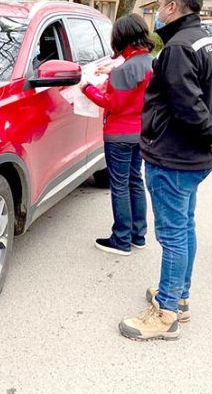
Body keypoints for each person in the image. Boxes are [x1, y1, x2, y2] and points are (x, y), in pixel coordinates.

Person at [119, 0, 212, 341]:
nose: (156, 14)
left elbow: (187, 103)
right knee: (184, 227)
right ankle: (179, 297)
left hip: (174, 155)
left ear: (171, 7)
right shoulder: (204, 41)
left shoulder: (179, 48)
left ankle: (166, 312)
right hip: (191, 155)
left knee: (172, 235)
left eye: (159, 6)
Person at [80, 14, 154, 256]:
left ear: (121, 37)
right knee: (135, 180)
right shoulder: (148, 62)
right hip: (140, 131)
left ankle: (121, 239)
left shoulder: (123, 70)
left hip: (119, 134)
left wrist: (86, 88)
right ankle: (138, 235)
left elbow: (111, 103)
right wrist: (111, 71)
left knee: (120, 185)